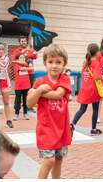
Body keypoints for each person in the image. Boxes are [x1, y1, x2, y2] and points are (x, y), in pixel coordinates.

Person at [27, 44, 72, 179]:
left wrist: (37, 93)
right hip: (46, 129)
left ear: (64, 64)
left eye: (58, 62)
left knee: (58, 160)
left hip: (61, 129)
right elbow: (30, 103)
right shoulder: (39, 82)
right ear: (45, 63)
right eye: (51, 62)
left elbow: (58, 94)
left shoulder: (64, 79)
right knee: (49, 160)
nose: (54, 65)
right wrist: (39, 90)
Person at [71, 43, 103, 135]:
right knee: (95, 109)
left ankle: (72, 124)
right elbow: (97, 77)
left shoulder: (85, 62)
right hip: (94, 89)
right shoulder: (96, 63)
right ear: (97, 52)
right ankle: (93, 129)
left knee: (82, 109)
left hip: (85, 88)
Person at [12, 36, 38, 115]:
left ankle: (28, 107)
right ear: (19, 42)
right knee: (20, 93)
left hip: (30, 73)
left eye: (25, 41)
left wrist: (28, 52)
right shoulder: (17, 51)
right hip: (22, 74)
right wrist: (25, 54)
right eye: (22, 41)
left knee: (30, 91)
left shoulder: (29, 49)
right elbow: (15, 59)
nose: (24, 42)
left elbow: (35, 56)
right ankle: (17, 109)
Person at [12, 53, 33, 121]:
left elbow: (32, 69)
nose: (22, 59)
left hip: (26, 86)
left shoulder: (26, 64)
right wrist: (27, 67)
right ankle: (16, 114)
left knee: (25, 100)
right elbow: (22, 69)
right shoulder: (16, 64)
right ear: (18, 59)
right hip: (18, 86)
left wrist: (27, 67)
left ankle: (25, 113)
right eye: (21, 57)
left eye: (23, 58)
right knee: (17, 100)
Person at [0, 43, 13, 128]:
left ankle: (9, 121)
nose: (0, 51)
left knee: (6, 102)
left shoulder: (6, 58)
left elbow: (3, 66)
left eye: (2, 49)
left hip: (4, 81)